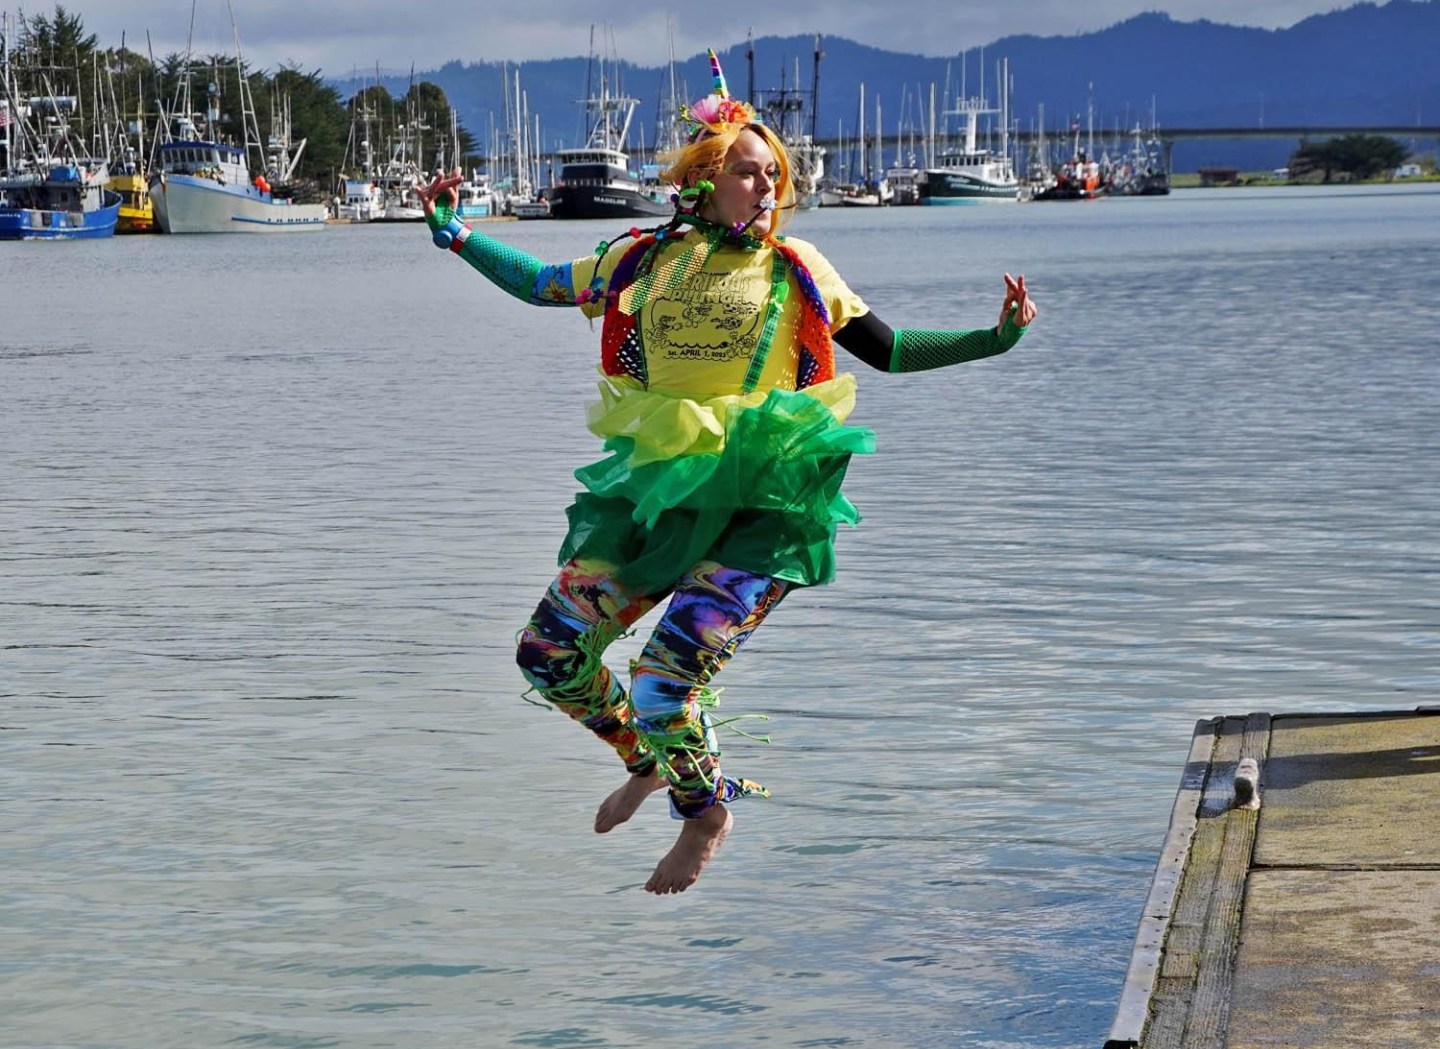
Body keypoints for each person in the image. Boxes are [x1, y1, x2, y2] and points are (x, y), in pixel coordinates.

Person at [415, 51, 1036, 895]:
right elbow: (540, 283)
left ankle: (703, 812)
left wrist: (992, 339)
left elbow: (886, 350)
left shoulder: (797, 268)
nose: (769, 186)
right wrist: (457, 235)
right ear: (705, 179)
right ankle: (649, 763)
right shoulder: (639, 260)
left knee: (664, 682)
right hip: (656, 496)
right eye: (751, 172)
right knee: (547, 652)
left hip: (764, 504)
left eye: (777, 173)